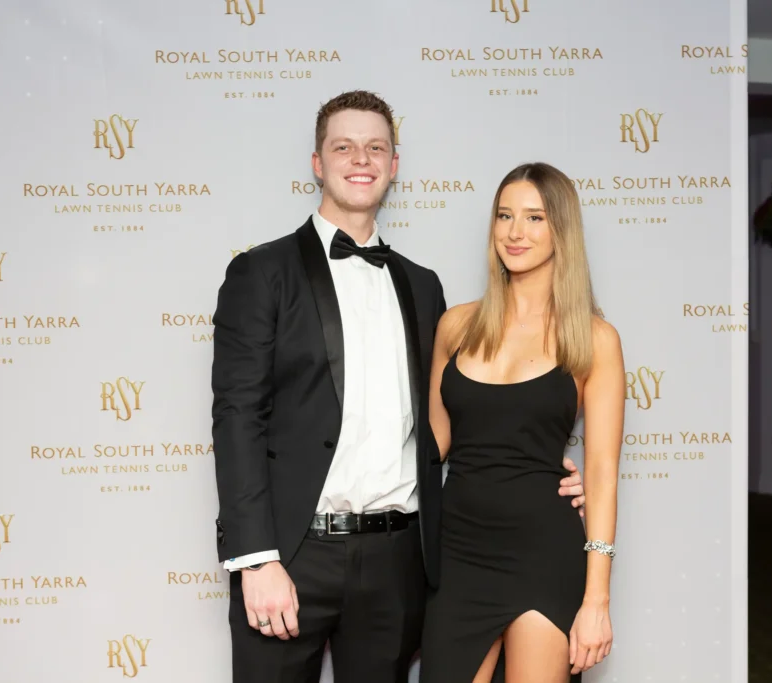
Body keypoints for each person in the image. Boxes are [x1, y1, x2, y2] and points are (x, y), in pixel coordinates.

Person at [210, 90, 587, 683]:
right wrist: (255, 559)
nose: (360, 158)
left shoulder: (423, 287)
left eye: (375, 147)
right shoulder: (261, 273)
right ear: (317, 162)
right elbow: (236, 417)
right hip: (292, 556)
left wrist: (541, 466)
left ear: (393, 163)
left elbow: (455, 417)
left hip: (398, 561)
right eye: (343, 146)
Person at [418, 162, 624, 683]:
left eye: (535, 218)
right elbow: (430, 446)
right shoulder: (457, 325)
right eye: (505, 215)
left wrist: (596, 599)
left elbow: (600, 473)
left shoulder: (594, 339)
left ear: (562, 229)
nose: (515, 232)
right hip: (458, 550)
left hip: (543, 552)